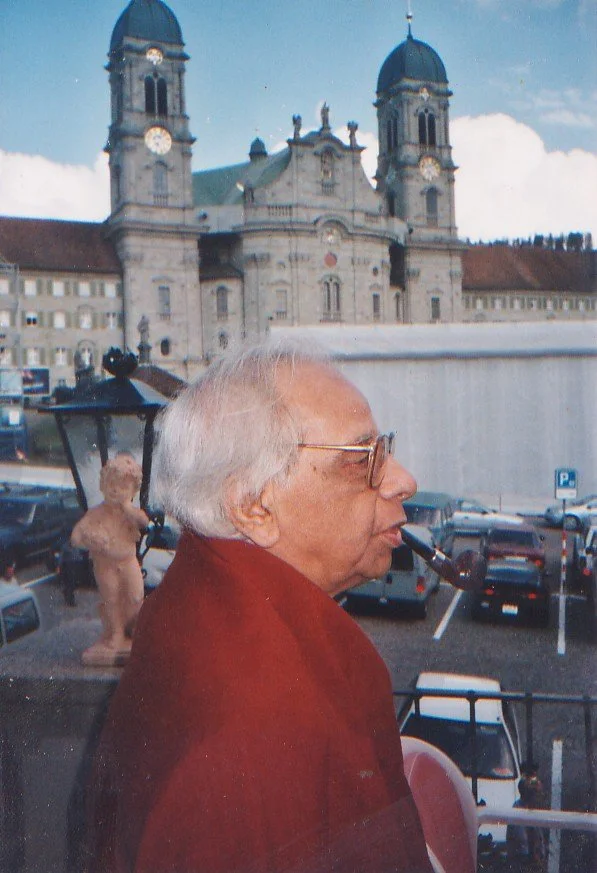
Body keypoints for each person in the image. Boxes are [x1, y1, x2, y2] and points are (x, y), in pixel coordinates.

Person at [85, 341, 434, 872]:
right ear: (252, 506)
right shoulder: (259, 727)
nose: (402, 480)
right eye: (364, 457)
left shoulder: (198, 606)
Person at [70, 453, 148, 666]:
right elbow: (75, 536)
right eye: (111, 485)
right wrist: (91, 540)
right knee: (111, 599)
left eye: (123, 487)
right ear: (103, 486)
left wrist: (128, 508)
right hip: (106, 565)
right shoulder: (96, 513)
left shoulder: (130, 513)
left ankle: (134, 631)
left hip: (128, 562)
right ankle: (116, 633)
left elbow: (143, 522)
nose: (115, 490)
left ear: (133, 491)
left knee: (135, 596)